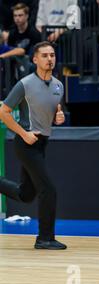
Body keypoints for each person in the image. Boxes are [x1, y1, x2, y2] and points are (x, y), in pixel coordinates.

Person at [0, 41, 66, 250]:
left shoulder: (58, 85)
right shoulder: (25, 84)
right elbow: (3, 112)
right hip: (26, 142)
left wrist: (59, 115)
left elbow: (54, 108)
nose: (49, 59)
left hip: (42, 143)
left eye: (52, 55)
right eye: (45, 55)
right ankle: (44, 239)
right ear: (35, 59)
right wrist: (23, 133)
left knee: (26, 194)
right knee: (48, 190)